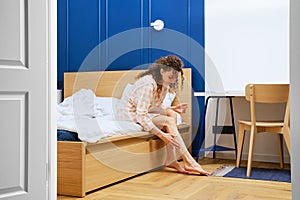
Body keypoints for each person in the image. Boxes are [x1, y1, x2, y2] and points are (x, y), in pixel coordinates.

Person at [117, 55, 210, 175]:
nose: (172, 81)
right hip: (129, 114)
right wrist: (161, 135)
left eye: (175, 78)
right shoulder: (147, 85)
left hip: (143, 112)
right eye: (170, 77)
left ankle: (171, 159)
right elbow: (141, 115)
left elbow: (154, 107)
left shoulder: (164, 84)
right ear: (162, 71)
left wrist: (171, 108)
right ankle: (189, 161)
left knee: (172, 115)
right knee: (169, 121)